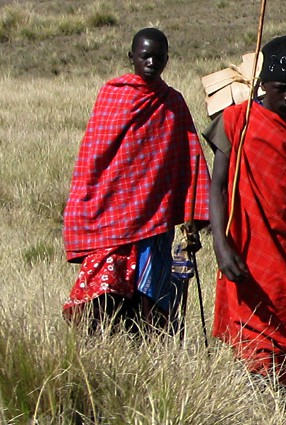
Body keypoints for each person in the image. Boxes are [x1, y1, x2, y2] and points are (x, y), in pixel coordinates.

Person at [62, 28, 209, 333]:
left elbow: (190, 156)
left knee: (149, 297)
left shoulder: (172, 103)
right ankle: (100, 348)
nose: (152, 62)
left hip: (155, 217)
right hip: (112, 216)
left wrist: (195, 212)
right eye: (145, 56)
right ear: (131, 58)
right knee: (104, 294)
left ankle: (145, 346)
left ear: (168, 59)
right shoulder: (112, 95)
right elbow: (94, 157)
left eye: (159, 57)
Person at [207, 36, 286, 394]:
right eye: (281, 89)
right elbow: (216, 186)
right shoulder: (237, 121)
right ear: (263, 86)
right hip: (250, 255)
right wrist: (221, 244)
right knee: (257, 343)